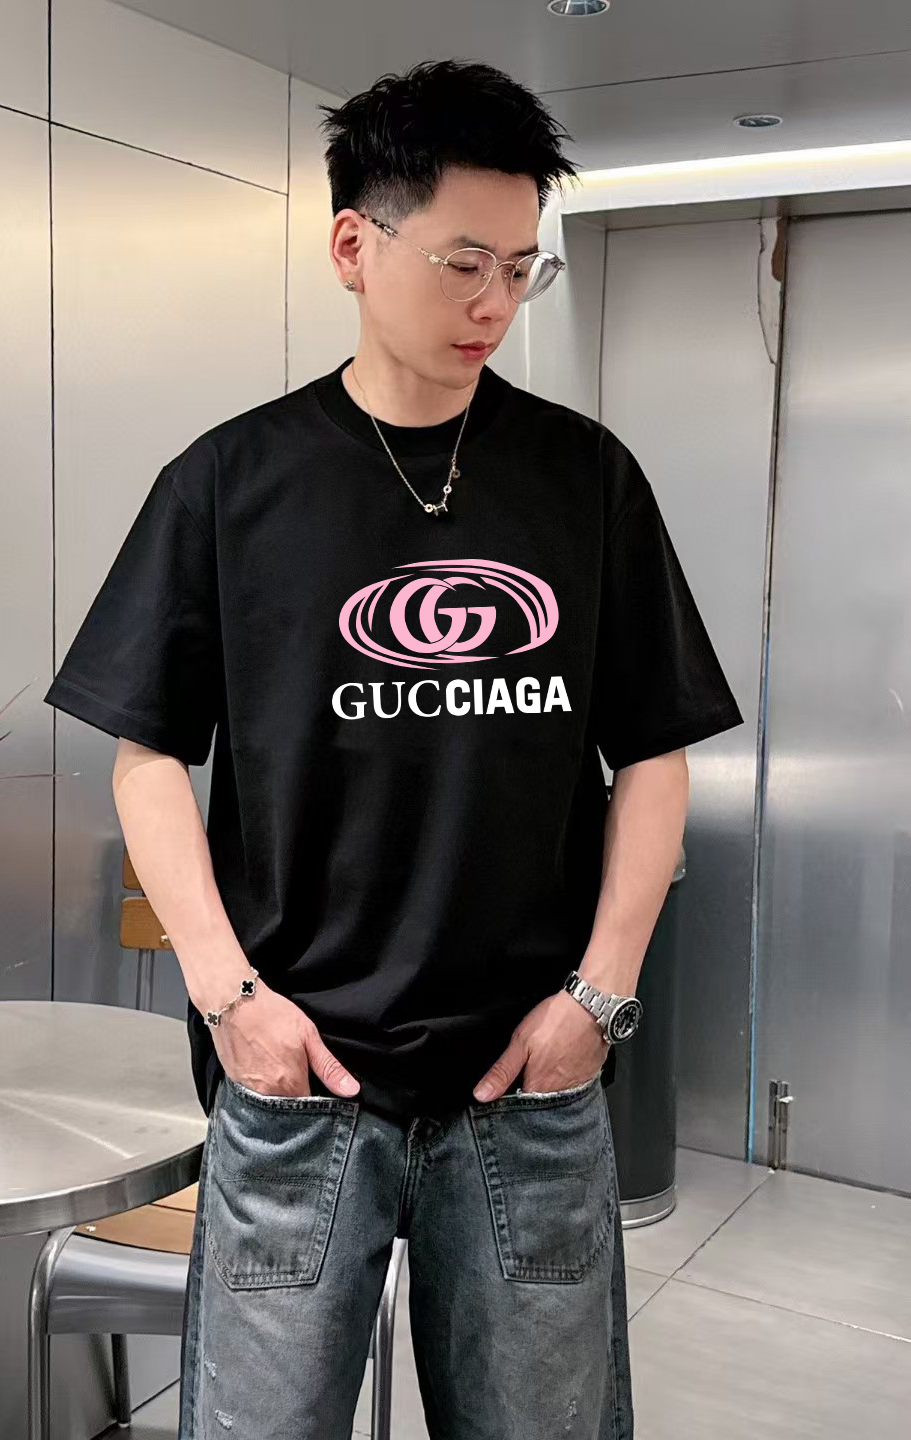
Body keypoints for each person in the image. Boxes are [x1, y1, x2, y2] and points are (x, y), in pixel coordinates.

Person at [43, 56, 743, 1440]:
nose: (496, 303)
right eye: (464, 263)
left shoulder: (586, 479)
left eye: (522, 269)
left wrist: (598, 1001)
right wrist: (231, 1000)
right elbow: (147, 758)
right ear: (354, 247)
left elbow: (656, 752)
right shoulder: (231, 483)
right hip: (301, 1080)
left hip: (527, 1084)